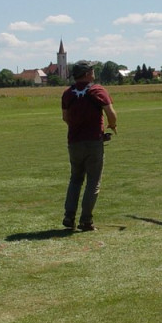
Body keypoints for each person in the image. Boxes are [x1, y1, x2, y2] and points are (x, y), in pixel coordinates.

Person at [61, 61, 117, 231]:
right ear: (86, 73)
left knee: (75, 179)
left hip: (74, 142)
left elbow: (65, 117)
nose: (94, 71)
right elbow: (110, 113)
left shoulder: (68, 93)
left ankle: (69, 216)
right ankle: (86, 220)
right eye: (92, 69)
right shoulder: (97, 90)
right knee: (93, 182)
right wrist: (112, 125)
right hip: (93, 142)